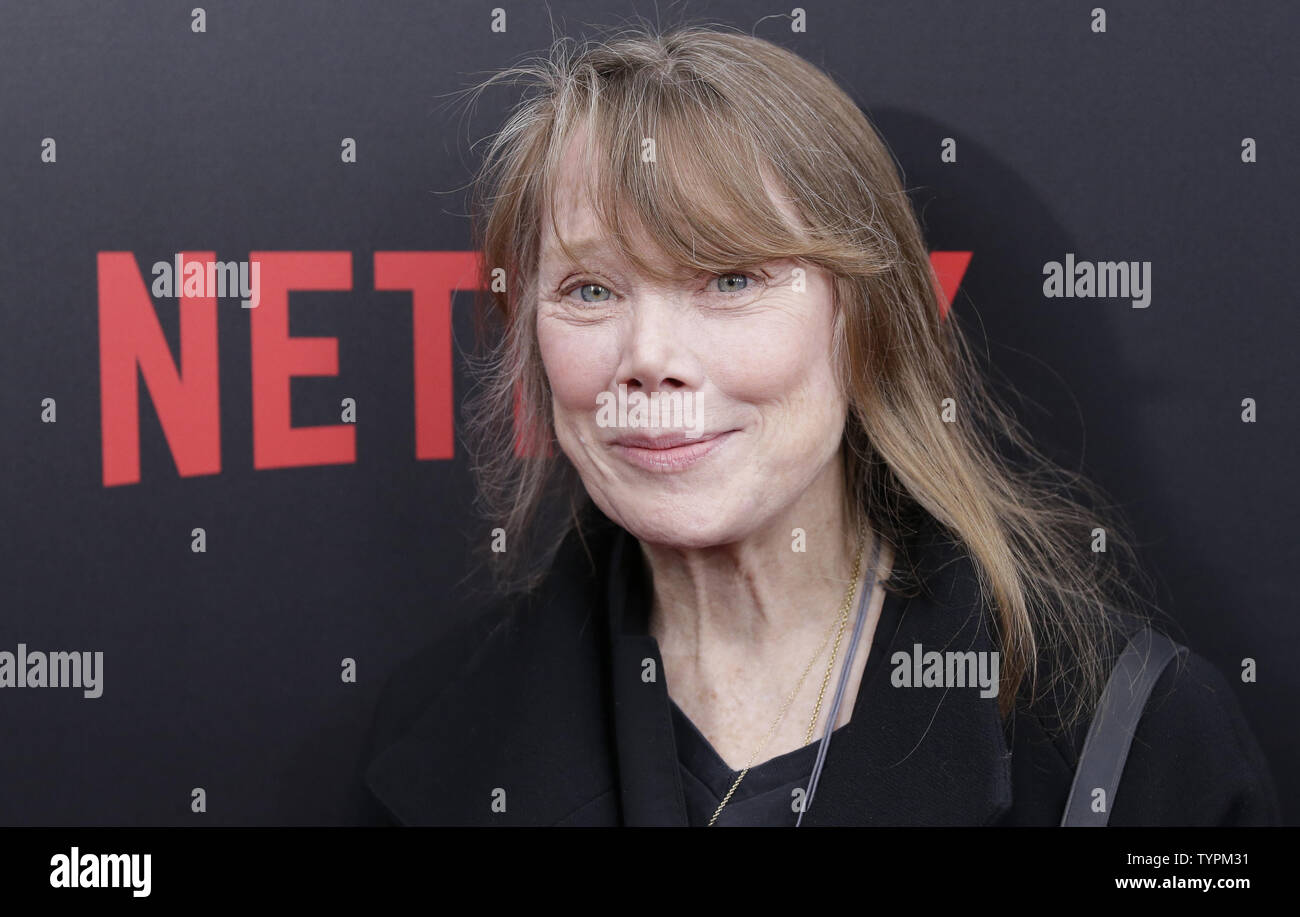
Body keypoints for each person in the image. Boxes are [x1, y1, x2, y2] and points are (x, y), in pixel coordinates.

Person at [354, 24, 1280, 826]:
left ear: (863, 322)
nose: (648, 354)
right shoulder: (435, 740)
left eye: (730, 279)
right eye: (590, 289)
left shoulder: (1136, 743)